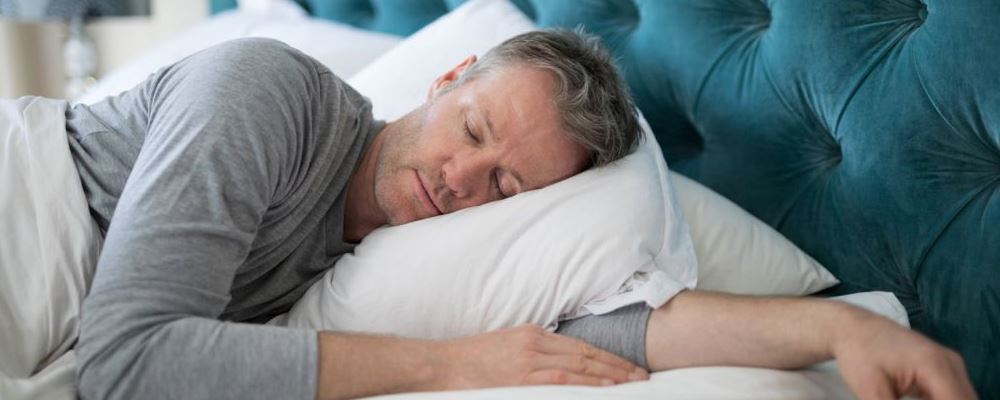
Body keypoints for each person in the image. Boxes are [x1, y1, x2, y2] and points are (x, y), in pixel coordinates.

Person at [65, 30, 976, 400]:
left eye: (505, 186)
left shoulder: (404, 268)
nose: (461, 179)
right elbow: (125, 362)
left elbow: (621, 332)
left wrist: (845, 329)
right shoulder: (265, 93)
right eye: (472, 129)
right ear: (448, 78)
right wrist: (453, 367)